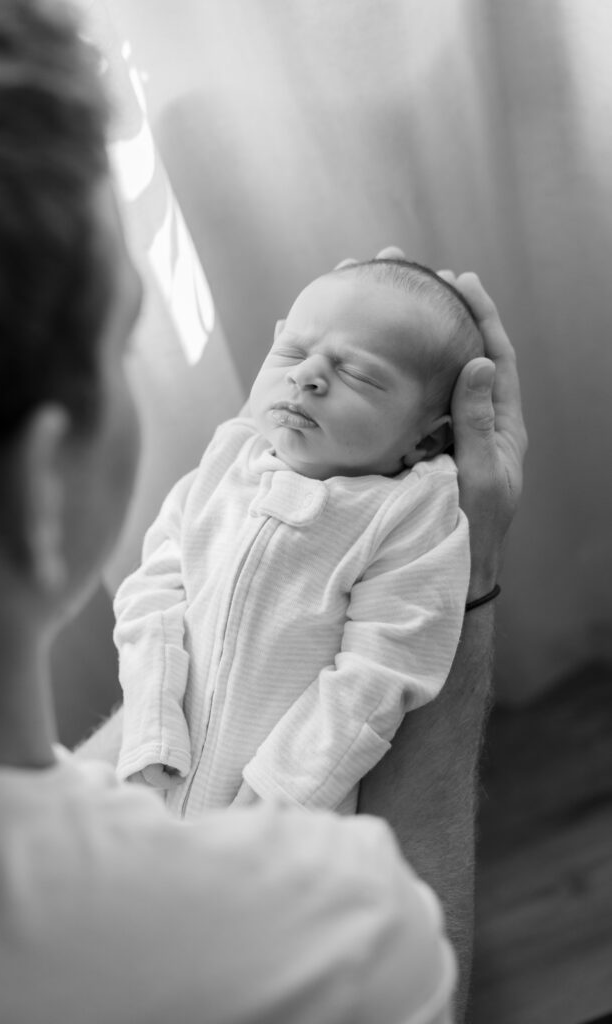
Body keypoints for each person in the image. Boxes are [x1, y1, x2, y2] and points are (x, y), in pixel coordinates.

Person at [0, 1, 527, 1022]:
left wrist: (156, 740)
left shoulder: (398, 516)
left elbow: (344, 663)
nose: (284, 386)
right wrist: (473, 587)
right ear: (39, 488)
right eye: (121, 347)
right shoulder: (322, 933)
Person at [115, 258, 482, 818]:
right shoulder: (226, 464)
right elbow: (153, 590)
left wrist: (271, 804)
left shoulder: (407, 515)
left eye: (357, 373)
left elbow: (378, 675)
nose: (305, 375)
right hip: (153, 779)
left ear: (427, 442)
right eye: (290, 351)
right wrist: (151, 720)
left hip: (284, 819)